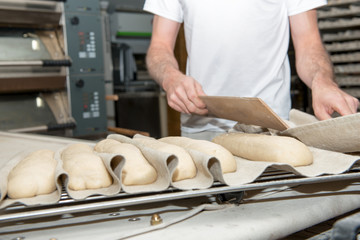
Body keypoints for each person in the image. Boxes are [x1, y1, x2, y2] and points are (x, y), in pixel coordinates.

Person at [144, 0, 359, 141]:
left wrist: (323, 82)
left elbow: (309, 44)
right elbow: (159, 47)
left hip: (270, 126)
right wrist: (171, 78)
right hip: (201, 126)